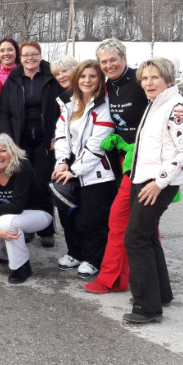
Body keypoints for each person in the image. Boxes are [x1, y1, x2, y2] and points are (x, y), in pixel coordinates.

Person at [84, 38, 183, 294]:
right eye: (104, 61)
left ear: (124, 58)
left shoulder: (142, 79)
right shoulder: (105, 86)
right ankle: (142, 283)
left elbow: (181, 100)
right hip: (124, 160)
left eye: (113, 59)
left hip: (149, 163)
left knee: (133, 225)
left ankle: (126, 283)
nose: (109, 65)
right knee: (135, 223)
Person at [123, 57, 183, 324]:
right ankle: (160, 294)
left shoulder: (176, 107)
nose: (148, 82)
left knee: (136, 238)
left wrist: (159, 182)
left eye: (154, 77)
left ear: (168, 79)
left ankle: (147, 307)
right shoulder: (156, 105)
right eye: (144, 78)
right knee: (148, 237)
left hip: (157, 182)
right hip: (143, 178)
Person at [51, 59, 117, 279]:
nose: (87, 80)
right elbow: (61, 135)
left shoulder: (104, 105)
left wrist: (74, 170)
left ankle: (93, 258)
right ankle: (75, 253)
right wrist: (61, 161)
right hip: (69, 167)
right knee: (67, 214)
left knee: (90, 218)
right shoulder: (69, 104)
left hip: (97, 172)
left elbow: (96, 145)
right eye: (82, 76)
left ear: (100, 79)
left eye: (92, 76)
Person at [0, 40, 61, 247]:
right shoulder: (13, 80)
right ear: (20, 58)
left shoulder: (52, 77)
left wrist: (57, 136)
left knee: (44, 182)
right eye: (25, 55)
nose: (30, 59)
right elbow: (4, 113)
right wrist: (9, 141)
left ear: (40, 56)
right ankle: (28, 227)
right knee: (24, 182)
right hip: (20, 140)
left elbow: (63, 110)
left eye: (34, 54)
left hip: (46, 140)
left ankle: (47, 229)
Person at [0, 134, 53, 284]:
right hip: (5, 216)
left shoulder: (22, 166)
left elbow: (17, 206)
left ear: (12, 152)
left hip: (37, 212)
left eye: (3, 150)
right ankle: (13, 253)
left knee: (7, 222)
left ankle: (21, 266)